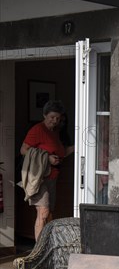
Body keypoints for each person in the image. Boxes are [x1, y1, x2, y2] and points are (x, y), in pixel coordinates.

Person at [20, 100, 74, 240]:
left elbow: (62, 153)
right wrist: (47, 158)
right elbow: (23, 150)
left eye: (57, 118)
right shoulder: (38, 130)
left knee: (49, 213)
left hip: (52, 177)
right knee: (43, 212)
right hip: (40, 177)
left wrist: (77, 147)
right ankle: (38, 252)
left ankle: (47, 247)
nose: (55, 121)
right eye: (52, 117)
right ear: (44, 115)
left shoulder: (55, 132)